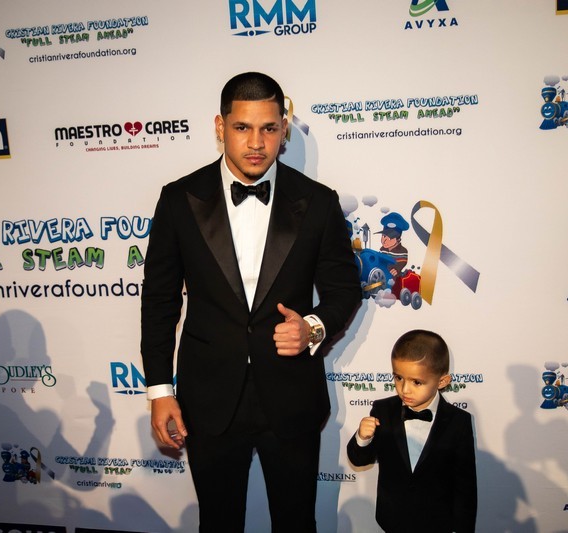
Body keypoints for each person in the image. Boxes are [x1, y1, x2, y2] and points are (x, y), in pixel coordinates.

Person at [140, 72, 361, 532]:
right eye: (242, 127)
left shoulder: (318, 202)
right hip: (209, 399)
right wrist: (160, 391)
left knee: (296, 523)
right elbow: (160, 301)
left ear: (284, 128)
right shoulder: (179, 199)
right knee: (218, 524)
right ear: (220, 127)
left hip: (291, 395)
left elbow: (344, 289)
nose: (256, 143)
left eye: (268, 128)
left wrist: (312, 327)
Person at [346, 329, 477, 533]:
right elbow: (360, 459)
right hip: (392, 519)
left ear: (442, 381)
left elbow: (465, 486)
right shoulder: (383, 410)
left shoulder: (458, 422)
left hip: (438, 523)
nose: (405, 389)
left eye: (417, 382)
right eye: (398, 378)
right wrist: (363, 438)